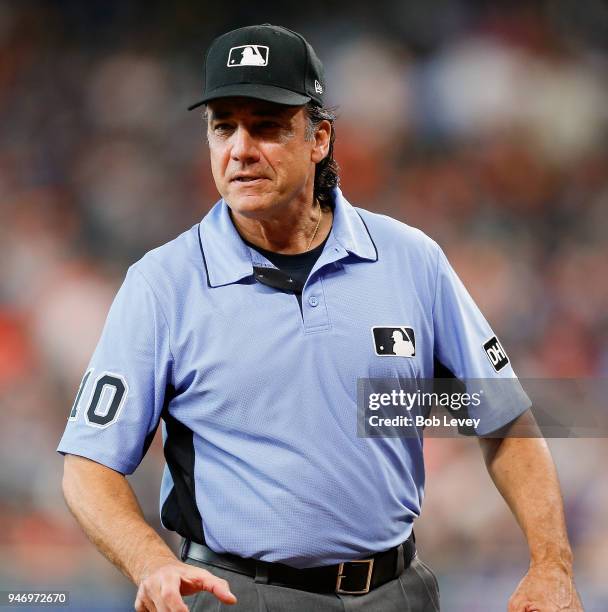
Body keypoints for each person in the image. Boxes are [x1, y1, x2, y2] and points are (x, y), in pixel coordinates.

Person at [58, 24, 583, 612]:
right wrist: (151, 561)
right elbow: (88, 465)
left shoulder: (411, 260)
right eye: (222, 125)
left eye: (266, 125)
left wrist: (551, 565)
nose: (240, 148)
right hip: (239, 595)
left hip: (397, 592)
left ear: (320, 138)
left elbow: (504, 417)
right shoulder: (162, 284)